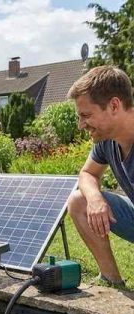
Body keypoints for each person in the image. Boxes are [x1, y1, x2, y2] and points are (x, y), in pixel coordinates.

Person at [66, 65, 134, 288]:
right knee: (79, 200)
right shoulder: (107, 140)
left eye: (86, 115)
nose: (81, 124)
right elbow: (87, 173)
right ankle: (112, 281)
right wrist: (95, 199)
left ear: (114, 105)